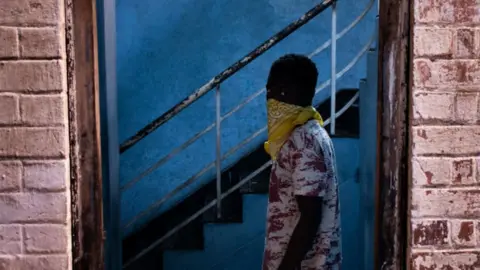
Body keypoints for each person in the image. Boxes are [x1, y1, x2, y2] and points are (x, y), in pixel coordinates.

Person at [262, 54, 342, 270]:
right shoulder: (309, 133)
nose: (270, 98)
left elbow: (310, 215)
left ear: (294, 91)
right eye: (268, 91)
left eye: (277, 90)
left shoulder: (304, 140)